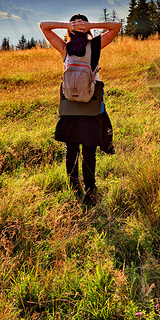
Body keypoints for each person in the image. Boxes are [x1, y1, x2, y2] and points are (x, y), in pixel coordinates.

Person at [40, 15, 122, 204]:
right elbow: (116, 26)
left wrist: (65, 25)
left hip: (69, 107)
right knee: (89, 150)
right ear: (87, 31)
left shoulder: (65, 49)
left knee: (71, 148)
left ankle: (73, 185)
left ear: (69, 31)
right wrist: (90, 26)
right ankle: (90, 190)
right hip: (91, 107)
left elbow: (44, 26)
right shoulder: (94, 47)